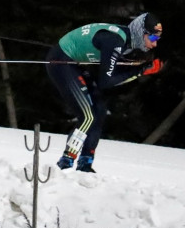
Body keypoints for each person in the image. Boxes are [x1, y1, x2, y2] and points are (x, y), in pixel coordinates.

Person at [46, 12, 164, 173]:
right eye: (152, 38)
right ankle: (65, 163)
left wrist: (138, 68)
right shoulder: (115, 41)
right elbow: (106, 82)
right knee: (87, 116)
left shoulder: (126, 40)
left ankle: (85, 164)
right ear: (139, 32)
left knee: (99, 110)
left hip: (74, 64)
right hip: (61, 62)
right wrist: (140, 71)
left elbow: (111, 72)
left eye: (157, 40)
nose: (154, 44)